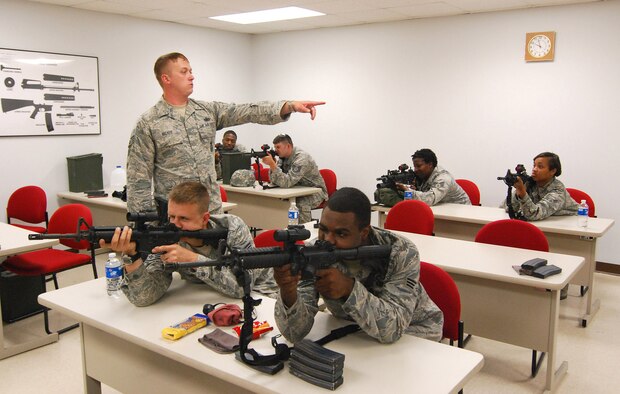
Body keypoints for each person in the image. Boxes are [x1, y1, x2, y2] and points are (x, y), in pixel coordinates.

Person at [126, 52, 325, 216]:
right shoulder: (149, 123)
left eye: (191, 71)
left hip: (211, 211)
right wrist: (144, 227)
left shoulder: (206, 112)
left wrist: (288, 106)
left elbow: (247, 110)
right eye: (184, 71)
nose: (192, 76)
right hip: (177, 217)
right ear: (166, 78)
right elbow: (138, 180)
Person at [273, 187, 443, 344]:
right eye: (323, 229)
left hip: (415, 331)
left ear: (364, 233)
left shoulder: (400, 252)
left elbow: (394, 328)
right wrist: (289, 292)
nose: (328, 240)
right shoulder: (314, 253)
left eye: (341, 233)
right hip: (356, 331)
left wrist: (349, 289)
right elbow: (294, 333)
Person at [99, 181, 277, 307]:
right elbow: (144, 297)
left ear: (204, 218)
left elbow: (241, 287)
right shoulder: (165, 236)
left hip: (261, 298)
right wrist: (133, 256)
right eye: (171, 217)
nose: (174, 224)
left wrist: (192, 259)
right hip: (207, 303)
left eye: (183, 218)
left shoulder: (232, 227)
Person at [261, 133, 327, 223]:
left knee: (298, 204)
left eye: (278, 147)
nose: (276, 150)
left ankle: (304, 231)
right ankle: (283, 227)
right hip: (296, 189)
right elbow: (274, 180)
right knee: (279, 201)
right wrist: (273, 166)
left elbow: (287, 182)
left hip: (315, 192)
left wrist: (272, 165)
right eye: (275, 147)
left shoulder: (301, 158)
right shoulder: (283, 157)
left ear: (288, 146)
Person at [374, 148, 471, 207]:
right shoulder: (423, 175)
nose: (416, 170)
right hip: (440, 208)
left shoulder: (443, 178)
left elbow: (429, 199)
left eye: (419, 166)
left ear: (430, 164)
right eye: (414, 166)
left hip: (462, 212)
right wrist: (414, 189)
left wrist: (407, 191)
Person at [504, 151, 578, 220]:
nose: (534, 169)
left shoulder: (558, 190)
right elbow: (509, 208)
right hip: (545, 223)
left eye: (540, 167)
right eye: (534, 166)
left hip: (571, 225)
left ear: (553, 171)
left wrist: (521, 191)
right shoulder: (530, 183)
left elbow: (534, 214)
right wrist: (518, 191)